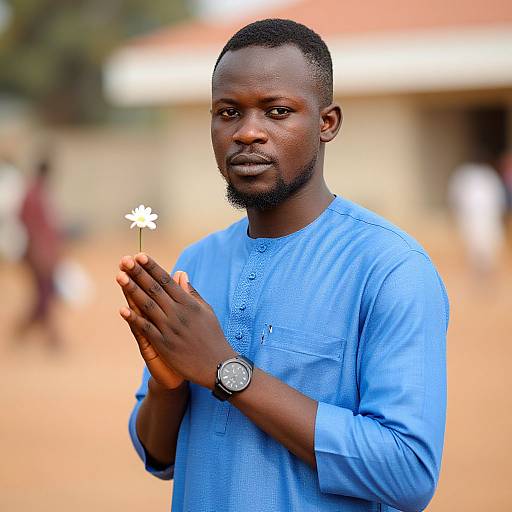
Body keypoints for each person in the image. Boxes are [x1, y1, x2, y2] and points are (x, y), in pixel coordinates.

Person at [116, 19, 448, 512]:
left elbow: (407, 471)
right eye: (228, 112)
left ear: (327, 123)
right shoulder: (197, 263)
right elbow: (159, 455)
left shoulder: (391, 269)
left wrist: (227, 371)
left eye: (277, 111)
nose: (248, 132)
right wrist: (169, 387)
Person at [17, 156, 63, 349]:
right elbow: (26, 221)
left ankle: (21, 333)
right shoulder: (33, 194)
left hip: (43, 253)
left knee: (44, 295)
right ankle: (51, 339)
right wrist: (38, 249)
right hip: (37, 254)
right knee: (44, 295)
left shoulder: (39, 192)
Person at [448, 159, 507, 276]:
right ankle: (477, 270)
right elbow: (456, 197)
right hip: (471, 218)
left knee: (489, 243)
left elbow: (498, 198)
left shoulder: (488, 176)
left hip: (488, 217)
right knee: (474, 244)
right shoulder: (465, 176)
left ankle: (487, 270)